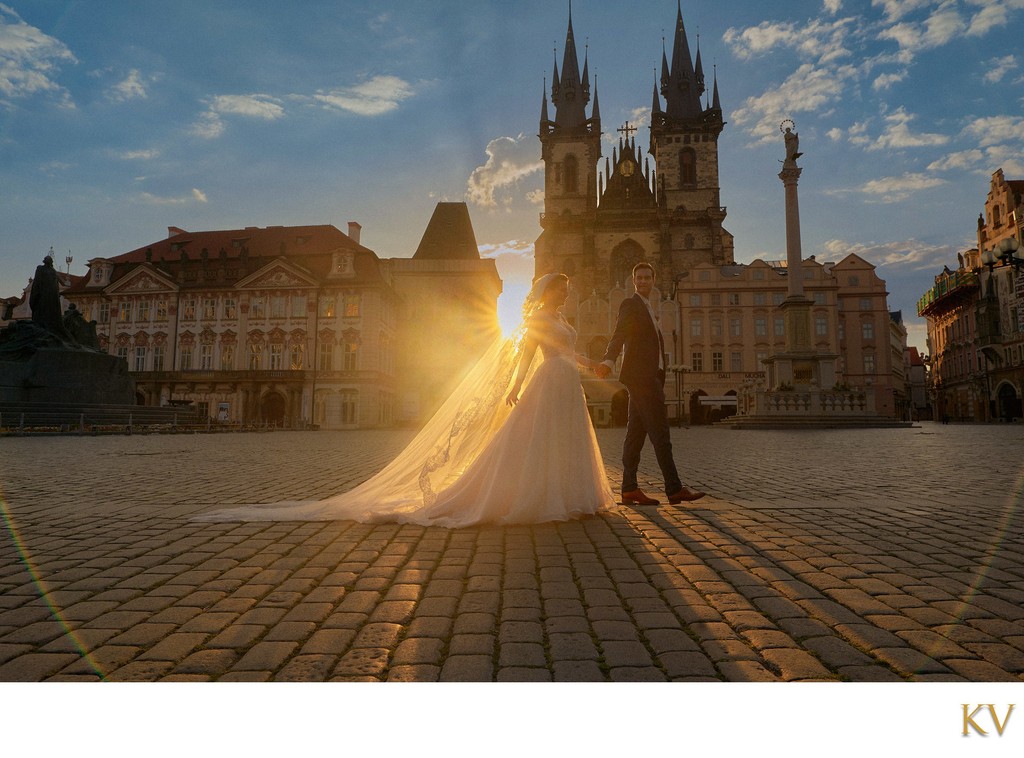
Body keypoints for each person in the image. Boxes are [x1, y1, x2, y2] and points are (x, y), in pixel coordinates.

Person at [196, 273, 614, 527]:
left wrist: (592, 364)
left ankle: (571, 494)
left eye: (565, 291)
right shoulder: (539, 319)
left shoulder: (561, 319)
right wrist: (515, 386)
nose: (564, 295)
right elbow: (525, 354)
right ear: (547, 294)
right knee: (536, 440)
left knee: (566, 439)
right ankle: (538, 495)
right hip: (546, 381)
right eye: (560, 290)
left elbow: (569, 352)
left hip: (566, 382)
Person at [596, 262, 704, 505]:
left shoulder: (649, 308)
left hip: (648, 377)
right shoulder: (631, 304)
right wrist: (609, 361)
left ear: (654, 280)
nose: (643, 281)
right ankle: (674, 488)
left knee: (635, 435)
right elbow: (619, 335)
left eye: (647, 277)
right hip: (642, 378)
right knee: (661, 433)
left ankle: (629, 488)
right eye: (639, 278)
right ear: (633, 280)